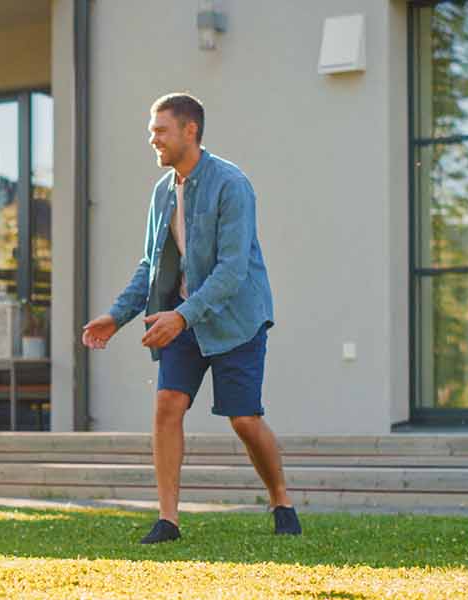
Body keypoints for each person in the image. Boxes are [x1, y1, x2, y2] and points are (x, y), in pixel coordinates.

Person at [82, 93, 299, 544]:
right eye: (151, 131)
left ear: (190, 130)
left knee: (243, 419)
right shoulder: (162, 193)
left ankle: (281, 498)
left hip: (235, 317)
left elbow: (232, 269)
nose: (152, 139)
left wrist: (182, 316)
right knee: (167, 405)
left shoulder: (231, 184)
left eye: (160, 130)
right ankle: (168, 520)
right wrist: (115, 316)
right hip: (180, 317)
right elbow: (151, 266)